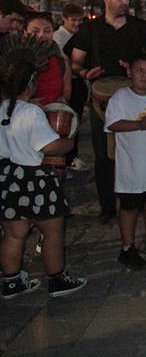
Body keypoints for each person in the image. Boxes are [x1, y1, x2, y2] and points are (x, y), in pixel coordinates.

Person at [65, 0, 146, 224]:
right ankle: (107, 207)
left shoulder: (140, 27)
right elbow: (75, 63)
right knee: (104, 156)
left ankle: (139, 200)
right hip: (102, 101)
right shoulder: (90, 29)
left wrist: (140, 68)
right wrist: (86, 73)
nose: (126, 2)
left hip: (136, 98)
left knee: (139, 151)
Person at [0, 50, 87, 300]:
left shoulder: (3, 108)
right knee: (52, 230)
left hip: (7, 176)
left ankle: (12, 282)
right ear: (30, 84)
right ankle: (57, 279)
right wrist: (68, 143)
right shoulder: (31, 112)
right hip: (34, 177)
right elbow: (49, 146)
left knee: (13, 233)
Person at [105, 54, 146, 270]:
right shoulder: (120, 97)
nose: (144, 75)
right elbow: (112, 124)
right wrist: (139, 125)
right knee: (130, 207)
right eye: (139, 71)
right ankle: (127, 248)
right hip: (131, 167)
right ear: (129, 72)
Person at [53, 2, 90, 172]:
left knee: (75, 123)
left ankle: (71, 157)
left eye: (79, 20)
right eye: (73, 20)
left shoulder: (81, 36)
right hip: (66, 85)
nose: (77, 24)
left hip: (78, 83)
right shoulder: (58, 38)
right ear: (64, 19)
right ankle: (66, 160)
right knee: (65, 124)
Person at [24, 12, 71, 107]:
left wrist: (62, 99)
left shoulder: (61, 59)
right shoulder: (16, 60)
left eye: (47, 31)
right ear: (24, 32)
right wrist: (27, 103)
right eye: (35, 31)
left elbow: (67, 90)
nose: (42, 35)